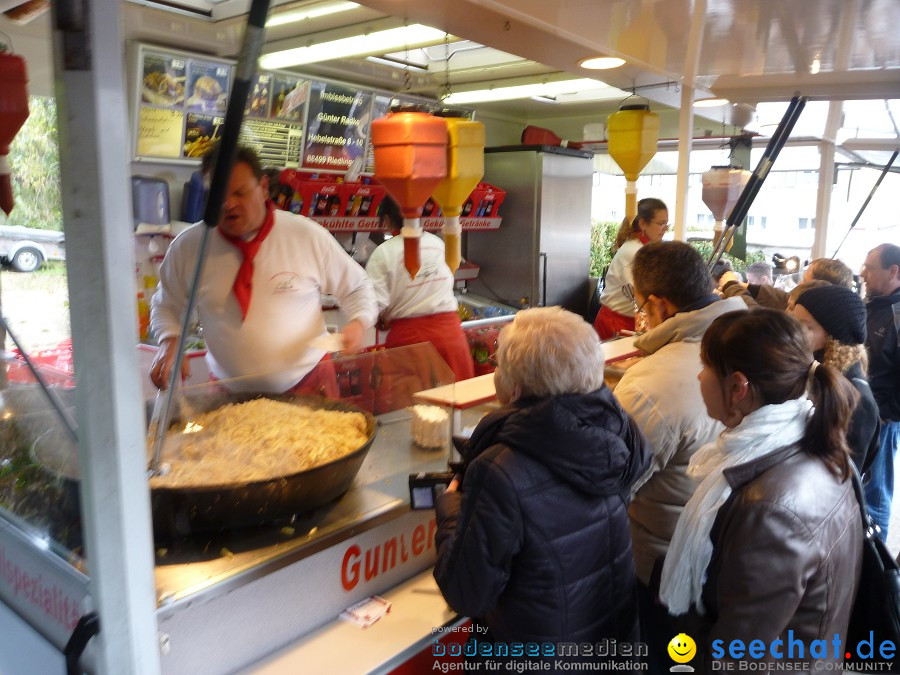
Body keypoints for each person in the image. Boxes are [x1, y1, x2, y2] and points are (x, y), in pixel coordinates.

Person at [433, 307, 650, 666]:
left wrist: (451, 510)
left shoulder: (499, 469)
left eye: (498, 365)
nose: (494, 372)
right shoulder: (615, 436)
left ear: (515, 389)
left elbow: (467, 593)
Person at [659, 309, 862, 671]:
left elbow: (737, 657)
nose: (699, 375)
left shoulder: (768, 507)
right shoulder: (813, 442)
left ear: (738, 387)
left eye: (706, 365)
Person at [612, 241, 746, 673]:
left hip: (663, 566)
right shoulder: (760, 336)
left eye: (641, 305)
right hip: (729, 555)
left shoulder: (655, 380)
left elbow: (612, 483)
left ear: (658, 303)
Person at [149, 145, 377, 394]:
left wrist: (357, 323)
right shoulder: (190, 246)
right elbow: (166, 303)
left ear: (264, 188)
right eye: (217, 195)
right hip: (229, 393)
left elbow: (357, 287)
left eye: (240, 193)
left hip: (309, 384)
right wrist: (169, 340)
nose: (228, 204)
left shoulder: (306, 236)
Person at [365, 197, 474, 385]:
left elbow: (373, 305)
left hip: (409, 340)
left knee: (414, 409)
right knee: (458, 405)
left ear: (388, 219)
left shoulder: (383, 252)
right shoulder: (437, 244)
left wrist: (379, 319)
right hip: (450, 335)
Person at [791, 285, 880, 474]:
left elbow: (846, 472)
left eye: (806, 326)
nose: (796, 333)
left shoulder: (856, 397)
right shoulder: (813, 370)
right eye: (795, 323)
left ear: (834, 336)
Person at [860, 243, 900, 536]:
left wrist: (886, 413)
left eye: (870, 267)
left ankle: (877, 569)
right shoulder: (874, 305)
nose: (863, 273)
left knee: (874, 495)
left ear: (894, 271)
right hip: (863, 412)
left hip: (882, 421)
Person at [593, 198, 668, 339]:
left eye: (666, 224)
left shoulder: (646, 248)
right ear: (643, 224)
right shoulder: (633, 251)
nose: (664, 229)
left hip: (630, 320)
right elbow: (643, 297)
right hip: (615, 322)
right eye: (660, 224)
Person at [721, 256, 855, 309]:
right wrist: (748, 287)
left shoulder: (799, 321)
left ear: (820, 289)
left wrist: (731, 285)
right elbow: (781, 297)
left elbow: (756, 318)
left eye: (805, 281)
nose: (800, 284)